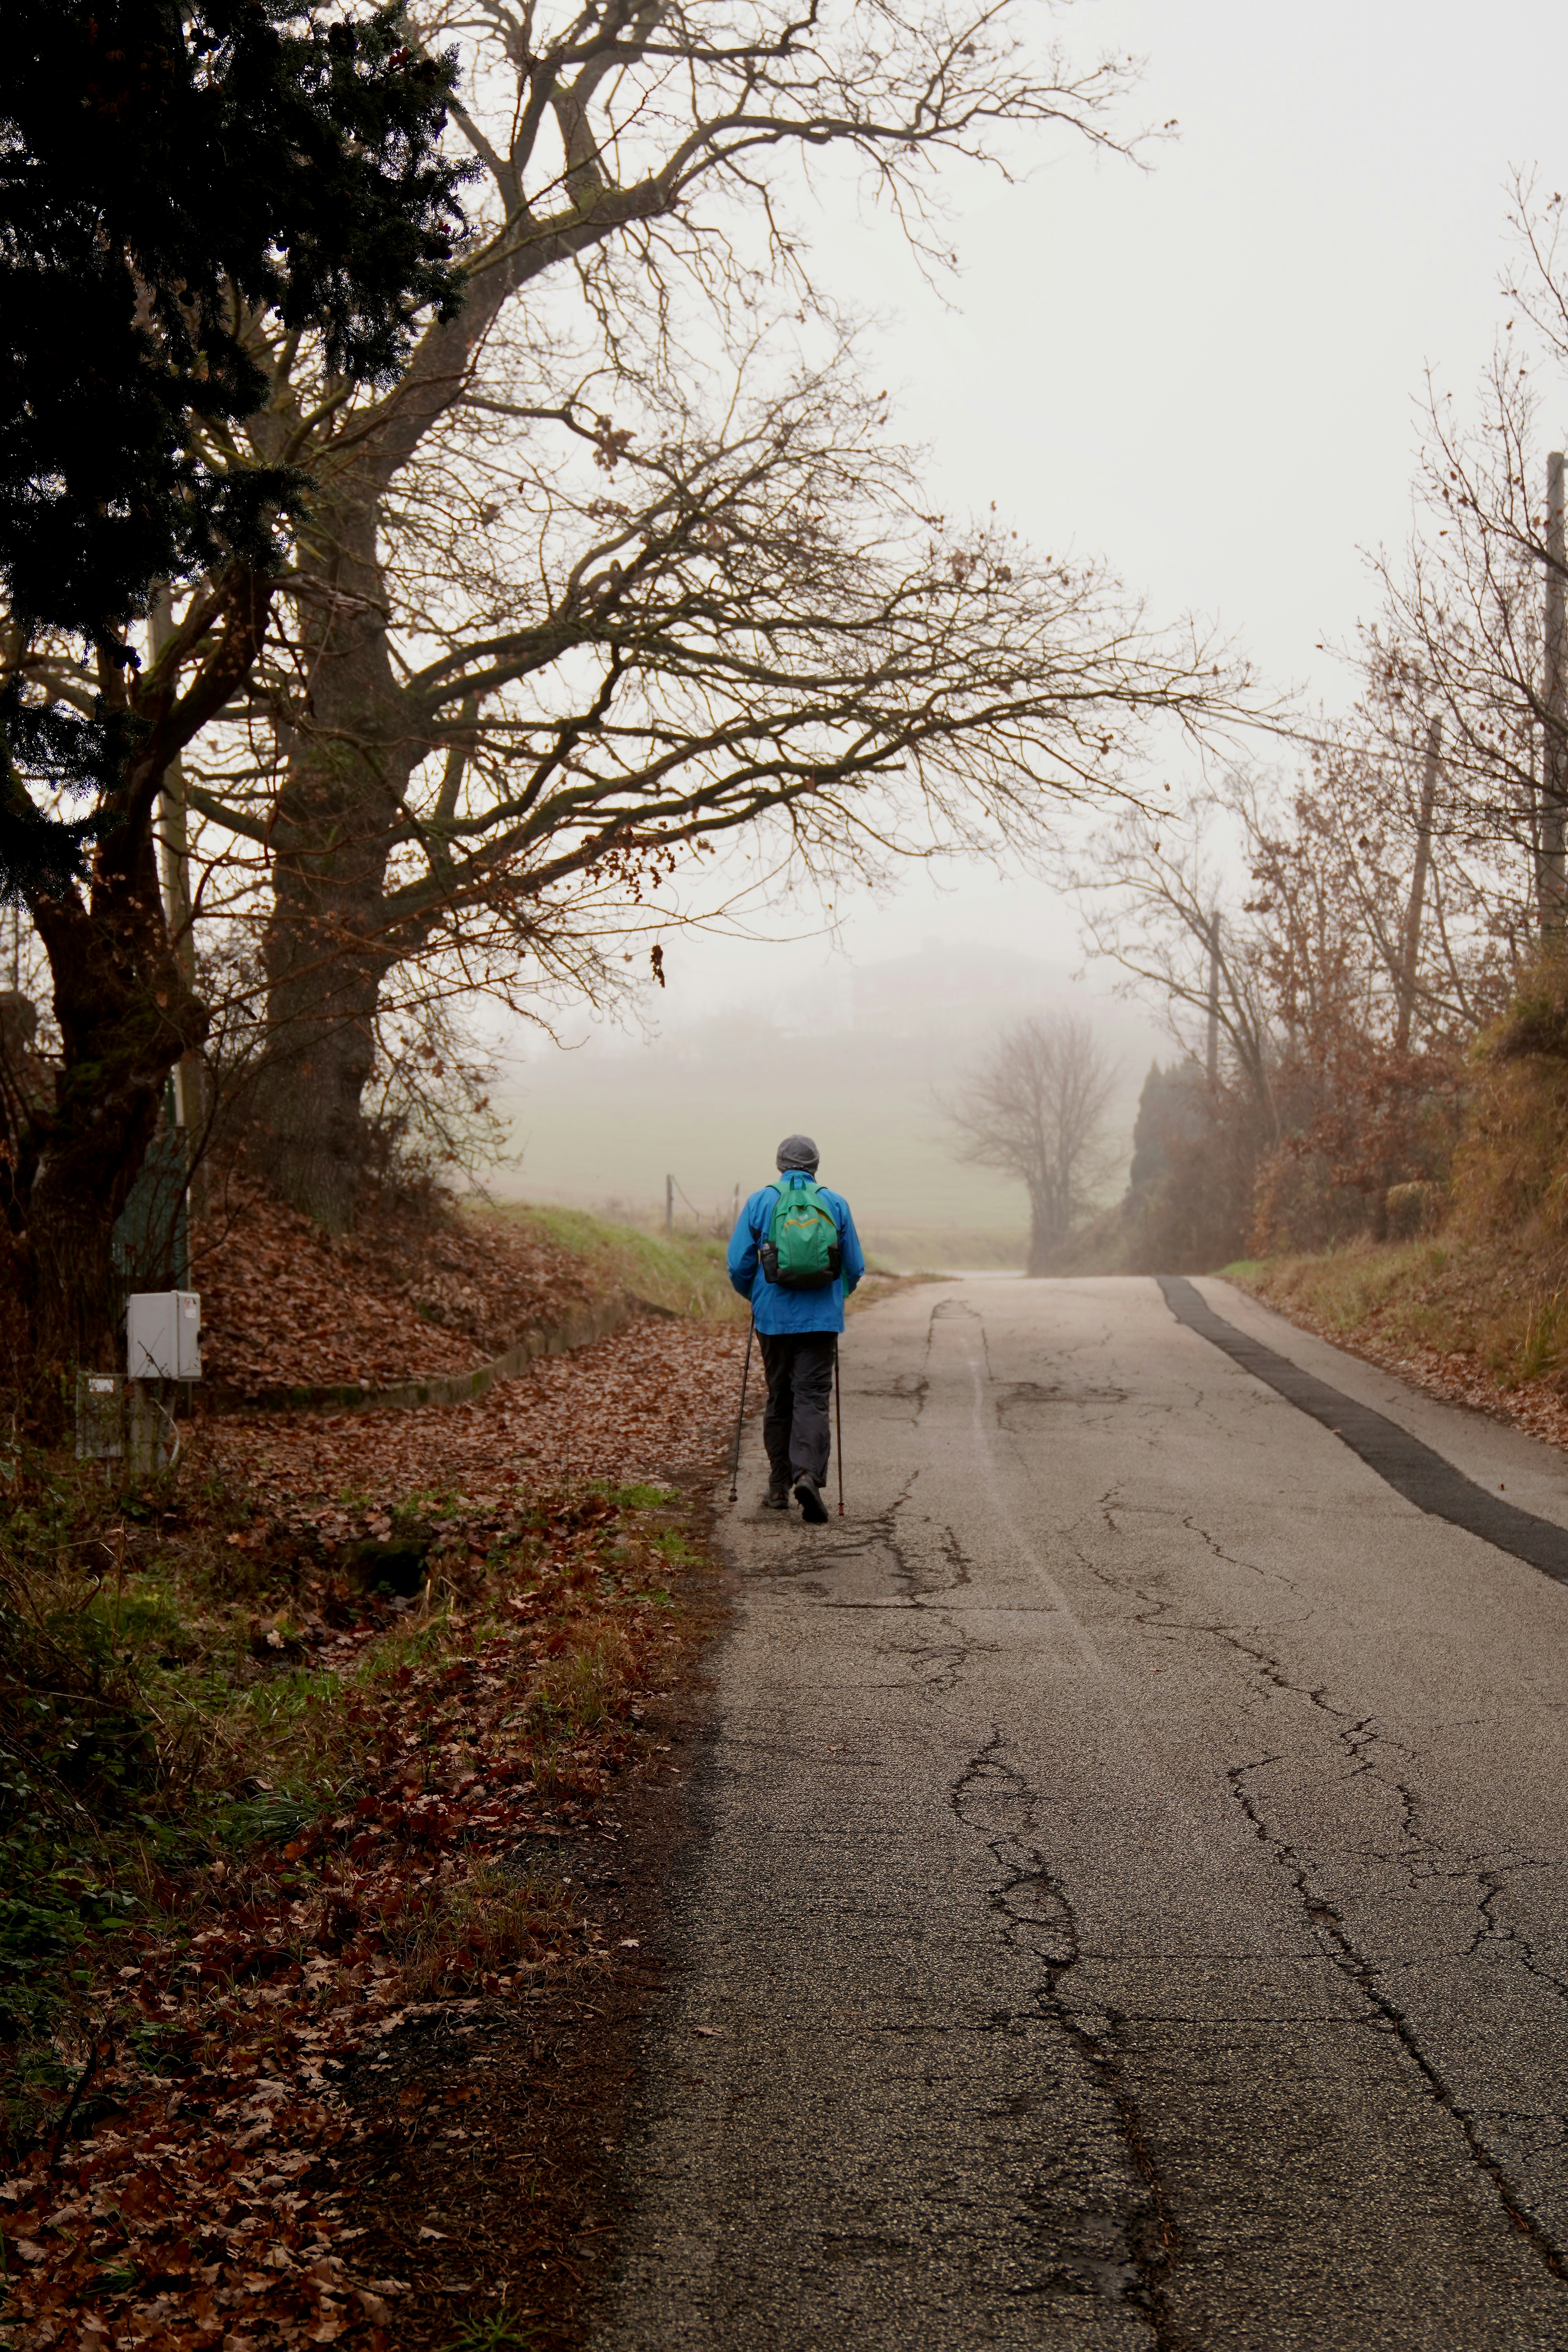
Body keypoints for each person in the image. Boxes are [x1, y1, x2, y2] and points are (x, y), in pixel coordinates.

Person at [727, 1134, 866, 1523]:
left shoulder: (760, 1201)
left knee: (779, 1396)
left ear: (779, 1165)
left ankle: (776, 1488)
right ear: (816, 1166)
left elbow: (738, 1265)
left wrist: (755, 1297)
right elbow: (854, 1267)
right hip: (821, 1318)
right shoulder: (835, 1203)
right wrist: (837, 1297)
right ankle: (806, 1475)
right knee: (812, 1397)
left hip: (772, 1317)